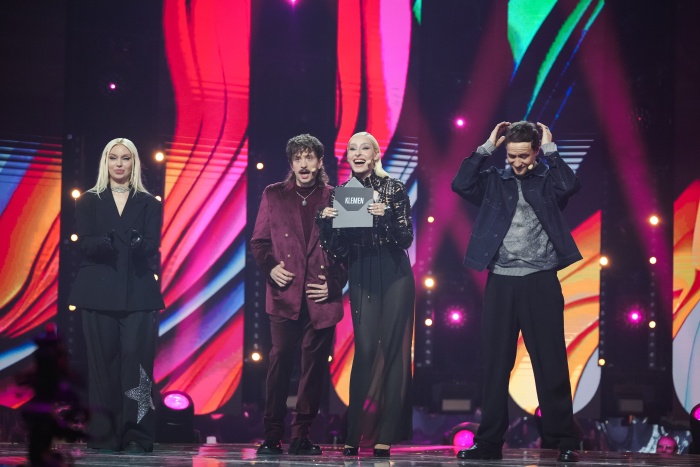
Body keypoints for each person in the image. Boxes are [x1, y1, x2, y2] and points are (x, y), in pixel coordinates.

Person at [451, 121, 582, 463]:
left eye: (524, 156)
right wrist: (486, 148)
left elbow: (570, 185)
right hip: (501, 280)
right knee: (495, 365)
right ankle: (489, 442)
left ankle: (565, 440)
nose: (518, 163)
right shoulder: (495, 180)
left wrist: (552, 150)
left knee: (551, 364)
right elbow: (460, 183)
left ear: (536, 152)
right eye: (511, 156)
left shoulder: (548, 180)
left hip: (541, 279)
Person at [318, 131, 415, 458]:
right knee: (365, 351)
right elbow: (338, 251)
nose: (358, 154)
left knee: (393, 350)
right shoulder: (341, 194)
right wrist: (326, 224)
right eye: (352, 149)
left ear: (375, 155)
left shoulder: (393, 188)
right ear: (347, 156)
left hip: (394, 272)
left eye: (364, 148)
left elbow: (405, 239)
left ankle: (385, 435)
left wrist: (384, 216)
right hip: (361, 271)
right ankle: (353, 434)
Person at [250, 134, 347, 456]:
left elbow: (350, 249)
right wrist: (270, 268)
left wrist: (335, 284)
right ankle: (272, 434)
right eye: (298, 158)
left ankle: (302, 435)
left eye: (309, 157)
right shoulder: (274, 194)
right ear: (291, 163)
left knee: (314, 368)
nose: (304, 164)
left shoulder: (337, 197)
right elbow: (259, 242)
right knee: (279, 361)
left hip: (321, 297)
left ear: (320, 162)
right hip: (285, 294)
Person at [69, 138, 164, 453]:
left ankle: (137, 436)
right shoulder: (88, 201)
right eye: (113, 158)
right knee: (102, 366)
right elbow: (83, 243)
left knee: (137, 365)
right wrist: (102, 243)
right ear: (105, 162)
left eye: (125, 158)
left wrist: (139, 244)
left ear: (134, 163)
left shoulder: (149, 203)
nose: (119, 164)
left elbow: (153, 245)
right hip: (97, 293)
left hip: (138, 293)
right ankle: (104, 436)